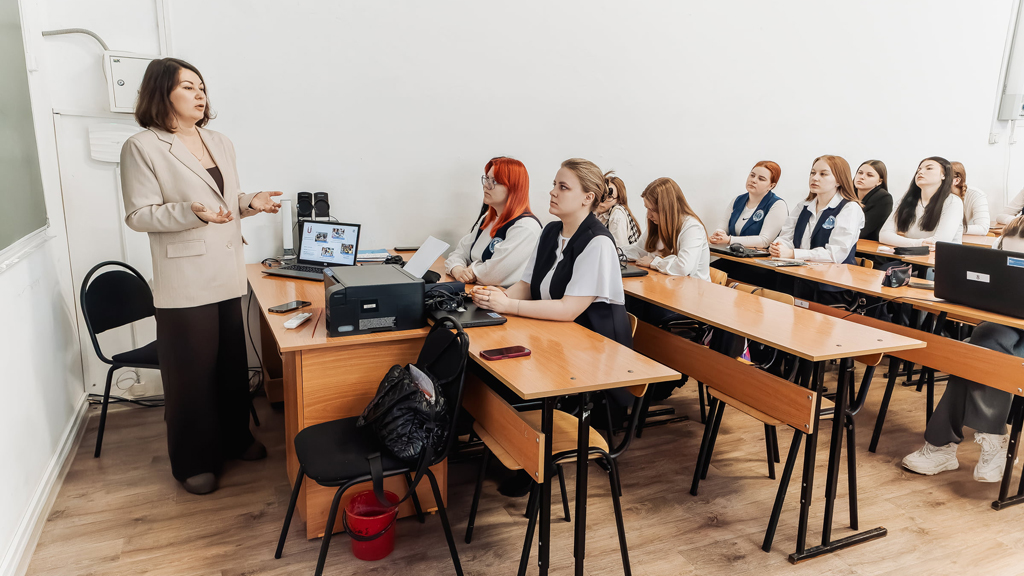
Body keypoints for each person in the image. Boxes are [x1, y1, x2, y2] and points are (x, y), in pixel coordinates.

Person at [120, 58, 282, 495]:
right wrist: (189, 211)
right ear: (162, 93)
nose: (199, 94)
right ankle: (193, 461)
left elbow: (225, 200)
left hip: (226, 269)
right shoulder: (143, 146)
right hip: (185, 276)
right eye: (187, 86)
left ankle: (235, 439)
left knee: (231, 366)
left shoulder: (219, 141)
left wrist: (251, 201)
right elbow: (139, 214)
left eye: (201, 86)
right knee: (191, 376)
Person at [903, 216, 1024, 482]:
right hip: (1004, 331)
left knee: (975, 349)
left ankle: (943, 445)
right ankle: (993, 441)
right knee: (979, 347)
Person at [471, 158, 631, 346]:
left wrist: (507, 305)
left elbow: (568, 309)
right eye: (554, 185)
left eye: (563, 187)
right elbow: (526, 285)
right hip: (557, 336)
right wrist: (496, 298)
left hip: (597, 345)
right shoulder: (550, 231)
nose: (552, 192)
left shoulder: (598, 242)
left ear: (588, 198)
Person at [770, 155, 865, 306]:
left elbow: (835, 254)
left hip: (829, 286)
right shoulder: (804, 205)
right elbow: (786, 236)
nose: (815, 178)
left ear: (839, 180)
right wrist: (779, 246)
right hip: (798, 277)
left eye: (823, 174)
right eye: (813, 173)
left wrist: (793, 254)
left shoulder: (850, 208)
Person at [444, 157, 541, 287]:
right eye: (487, 179)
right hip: (477, 290)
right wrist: (457, 269)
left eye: (494, 181)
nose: (486, 185)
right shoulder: (487, 219)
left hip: (502, 296)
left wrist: (471, 270)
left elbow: (493, 275)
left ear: (513, 187)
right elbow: (460, 253)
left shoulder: (526, 227)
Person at [622, 178, 711, 280]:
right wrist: (616, 252)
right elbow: (639, 251)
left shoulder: (692, 228)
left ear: (667, 209)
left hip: (694, 287)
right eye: (647, 208)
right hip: (670, 284)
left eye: (652, 210)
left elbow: (683, 267)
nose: (648, 215)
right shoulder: (658, 224)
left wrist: (653, 262)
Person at [878, 157, 964, 248]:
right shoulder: (905, 201)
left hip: (942, 256)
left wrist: (908, 243)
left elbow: (939, 243)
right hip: (911, 255)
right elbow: (884, 235)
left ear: (944, 175)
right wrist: (919, 243)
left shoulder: (952, 202)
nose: (920, 172)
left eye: (929, 168)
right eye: (919, 169)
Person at [709, 161, 787, 248]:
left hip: (757, 256)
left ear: (771, 186)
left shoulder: (777, 205)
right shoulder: (737, 200)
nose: (753, 180)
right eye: (752, 175)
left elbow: (764, 241)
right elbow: (722, 228)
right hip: (732, 253)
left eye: (761, 179)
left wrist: (730, 240)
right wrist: (718, 235)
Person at [594, 171, 641, 248]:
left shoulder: (617, 214)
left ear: (618, 200)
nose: (602, 200)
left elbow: (620, 250)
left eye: (609, 197)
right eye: (601, 194)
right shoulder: (597, 213)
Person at [853, 160, 893, 241]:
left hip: (867, 244)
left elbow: (863, 231)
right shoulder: (846, 193)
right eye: (860, 173)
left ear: (879, 181)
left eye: (869, 175)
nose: (862, 177)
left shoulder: (884, 198)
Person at [950, 161, 991, 235]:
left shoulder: (976, 194)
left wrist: (948, 229)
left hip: (964, 238)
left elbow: (983, 228)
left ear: (957, 180)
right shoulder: (933, 193)